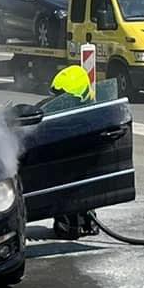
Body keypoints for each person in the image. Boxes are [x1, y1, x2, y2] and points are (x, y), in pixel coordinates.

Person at [40, 65, 99, 237]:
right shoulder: (87, 107)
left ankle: (78, 224)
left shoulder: (86, 114)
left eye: (62, 96)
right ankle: (82, 223)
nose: (58, 100)